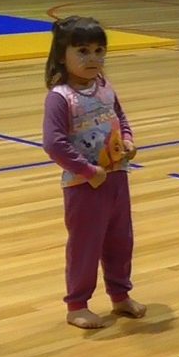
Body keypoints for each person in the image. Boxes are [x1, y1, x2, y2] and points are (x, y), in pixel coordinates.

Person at [41, 16, 147, 329]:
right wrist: (88, 171)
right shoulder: (60, 98)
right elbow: (54, 144)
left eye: (99, 51)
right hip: (83, 185)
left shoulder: (105, 88)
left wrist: (128, 141)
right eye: (83, 51)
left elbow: (121, 120)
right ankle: (77, 305)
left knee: (120, 240)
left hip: (116, 178)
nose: (93, 58)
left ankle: (120, 295)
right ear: (63, 56)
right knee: (85, 245)